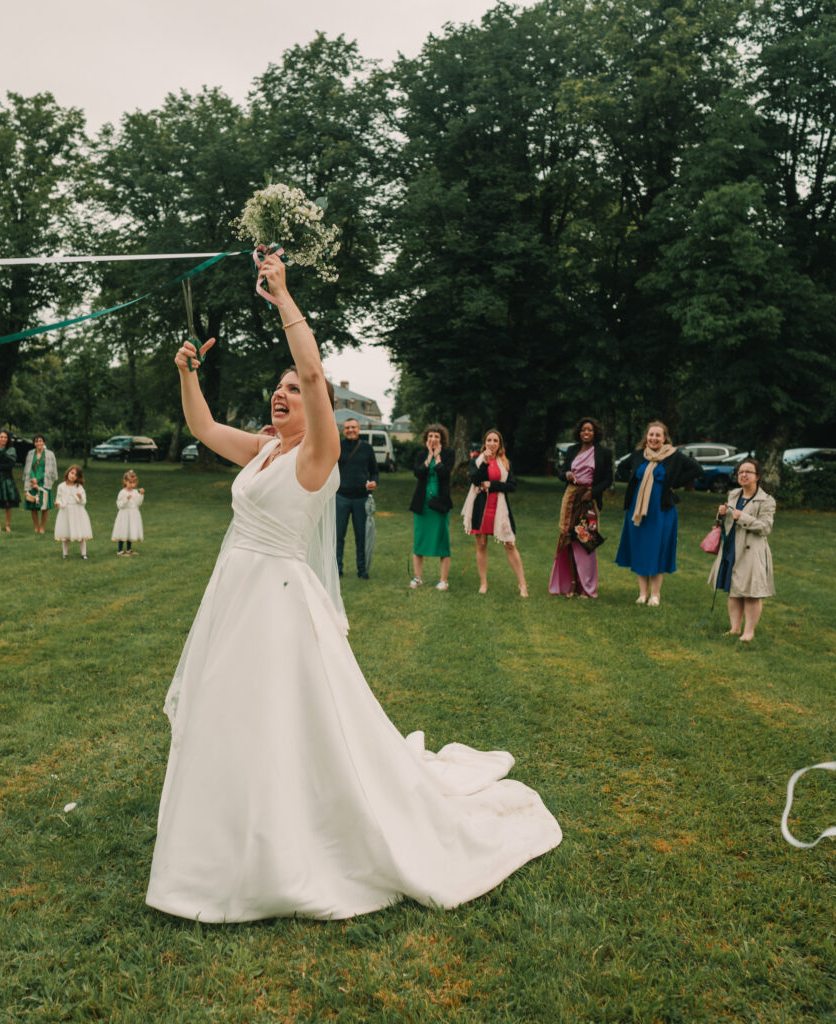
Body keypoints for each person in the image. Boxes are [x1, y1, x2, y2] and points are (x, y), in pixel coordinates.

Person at [147, 252, 560, 923]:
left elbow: (312, 370)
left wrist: (282, 296)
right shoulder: (264, 450)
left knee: (280, 721)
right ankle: (219, 841)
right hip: (235, 597)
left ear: (315, 406)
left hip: (277, 600)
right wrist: (188, 375)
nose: (281, 395)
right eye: (274, 391)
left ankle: (279, 844)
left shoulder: (319, 455)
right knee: (229, 715)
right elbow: (200, 428)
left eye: (292, 391)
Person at [613, 421, 702, 605]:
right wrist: (632, 481)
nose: (653, 438)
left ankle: (655, 594)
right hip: (637, 510)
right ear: (646, 437)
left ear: (664, 438)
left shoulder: (674, 456)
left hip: (661, 510)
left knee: (657, 548)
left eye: (657, 435)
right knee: (640, 547)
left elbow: (696, 469)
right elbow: (621, 468)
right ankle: (642, 593)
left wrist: (673, 484)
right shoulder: (639, 455)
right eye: (651, 434)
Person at [708, 458, 776, 641]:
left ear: (757, 477)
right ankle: (735, 628)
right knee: (734, 590)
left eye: (748, 472)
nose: (743, 475)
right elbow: (727, 522)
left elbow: (765, 528)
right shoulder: (734, 494)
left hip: (751, 551)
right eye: (740, 472)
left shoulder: (767, 501)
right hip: (731, 548)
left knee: (751, 593)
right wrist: (721, 513)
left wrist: (743, 517)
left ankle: (749, 632)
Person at [549, 417, 614, 598]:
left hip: (588, 499)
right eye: (583, 430)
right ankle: (571, 584)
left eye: (590, 430)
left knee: (586, 540)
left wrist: (592, 493)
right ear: (579, 432)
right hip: (570, 498)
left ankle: (587, 587)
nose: (586, 433)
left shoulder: (603, 453)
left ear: (595, 433)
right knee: (568, 539)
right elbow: (561, 474)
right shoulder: (572, 450)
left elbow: (608, 479)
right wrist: (567, 475)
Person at [461, 429, 528, 596]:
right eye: (489, 440)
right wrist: (485, 461)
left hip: (500, 508)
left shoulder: (505, 462)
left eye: (495, 441)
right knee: (481, 544)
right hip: (481, 508)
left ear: (500, 444)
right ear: (485, 443)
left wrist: (492, 485)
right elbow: (475, 480)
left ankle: (523, 584)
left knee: (510, 544)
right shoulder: (476, 461)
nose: (492, 443)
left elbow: (511, 486)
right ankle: (483, 583)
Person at [408, 423, 455, 590]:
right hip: (422, 505)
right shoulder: (421, 454)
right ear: (426, 439)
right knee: (419, 541)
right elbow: (418, 473)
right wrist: (429, 456)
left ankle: (443, 580)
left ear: (441, 439)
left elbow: (445, 474)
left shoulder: (449, 454)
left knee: (442, 540)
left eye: (436, 437)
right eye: (430, 437)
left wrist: (438, 457)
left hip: (440, 504)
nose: (433, 439)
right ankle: (417, 577)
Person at [334, 418, 379, 579]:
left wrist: (374, 482)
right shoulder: (337, 446)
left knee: (361, 537)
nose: (350, 430)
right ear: (342, 430)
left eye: (353, 427)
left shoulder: (367, 448)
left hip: (361, 499)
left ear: (359, 429)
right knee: (338, 537)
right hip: (341, 498)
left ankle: (362, 570)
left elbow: (374, 471)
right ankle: (337, 568)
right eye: (347, 428)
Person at [54, 465, 92, 559]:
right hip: (65, 511)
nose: (72, 476)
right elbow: (59, 498)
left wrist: (80, 498)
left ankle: (83, 553)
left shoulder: (79, 487)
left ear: (78, 478)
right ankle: (65, 554)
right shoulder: (61, 486)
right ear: (68, 472)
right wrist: (58, 504)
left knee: (81, 531)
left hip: (77, 511)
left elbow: (84, 502)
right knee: (65, 532)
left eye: (75, 475)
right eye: (72, 473)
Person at [22, 435, 57, 535]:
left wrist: (38, 479)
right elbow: (28, 468)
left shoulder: (50, 454)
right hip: (32, 482)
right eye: (36, 441)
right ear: (34, 443)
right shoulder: (30, 454)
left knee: (44, 506)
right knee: (33, 505)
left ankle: (42, 527)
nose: (38, 443)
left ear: (44, 442)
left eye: (40, 441)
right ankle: (36, 527)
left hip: (44, 482)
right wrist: (32, 479)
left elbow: (51, 470)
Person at [112, 469, 145, 555]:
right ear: (125, 481)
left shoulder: (135, 492)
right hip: (124, 514)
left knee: (131, 529)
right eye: (129, 482)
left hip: (133, 514)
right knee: (123, 530)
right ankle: (120, 550)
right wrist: (127, 499)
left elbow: (138, 503)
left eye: (133, 483)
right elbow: (119, 505)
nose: (131, 484)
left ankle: (129, 549)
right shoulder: (122, 492)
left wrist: (141, 495)